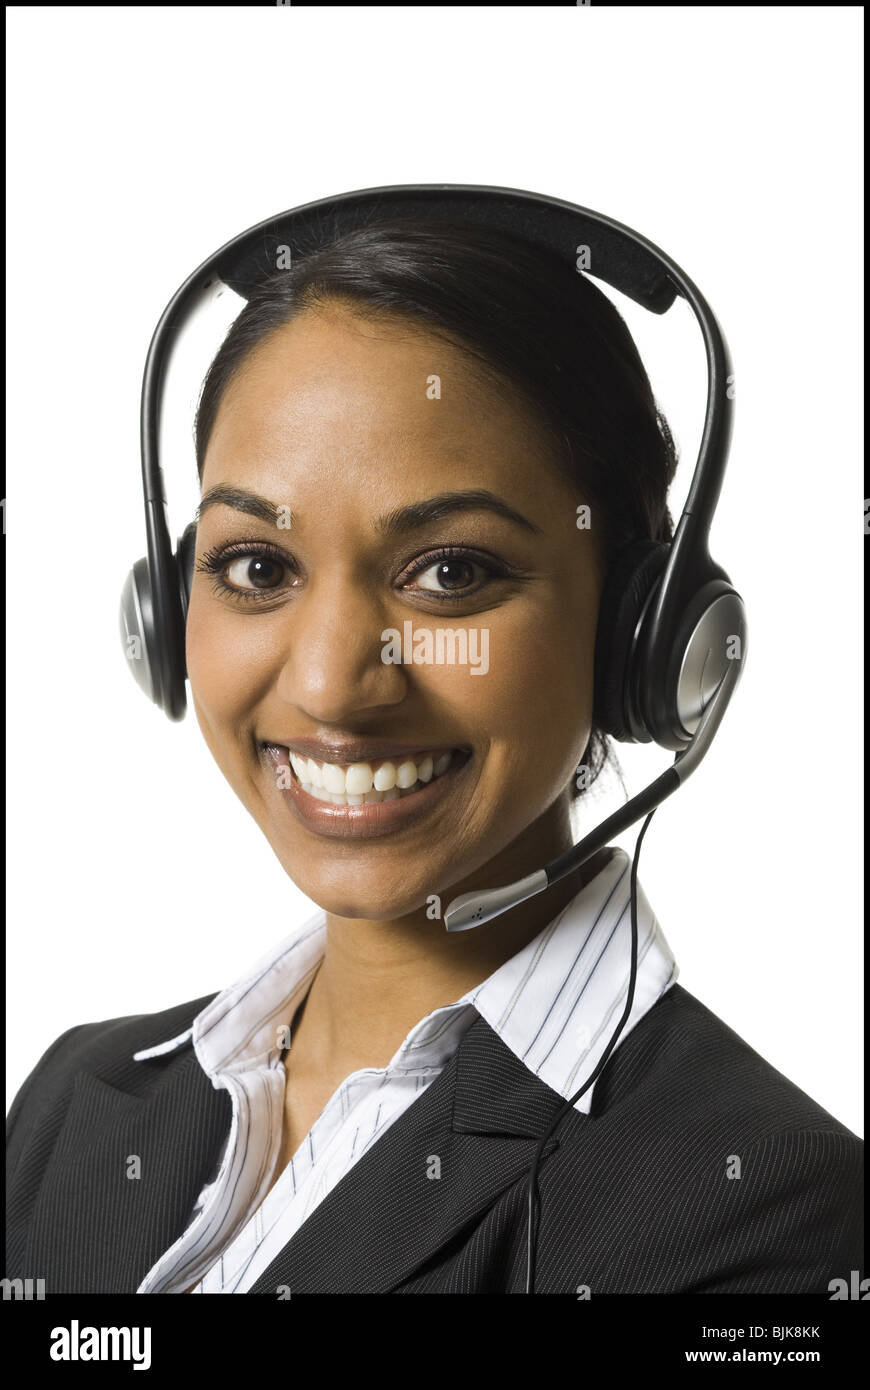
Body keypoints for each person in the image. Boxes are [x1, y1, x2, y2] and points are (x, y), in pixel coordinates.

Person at [6, 220, 863, 1294]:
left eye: (450, 572)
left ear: (638, 630)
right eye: (259, 565)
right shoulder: (67, 1107)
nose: (328, 684)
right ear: (170, 607)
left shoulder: (766, 1223)